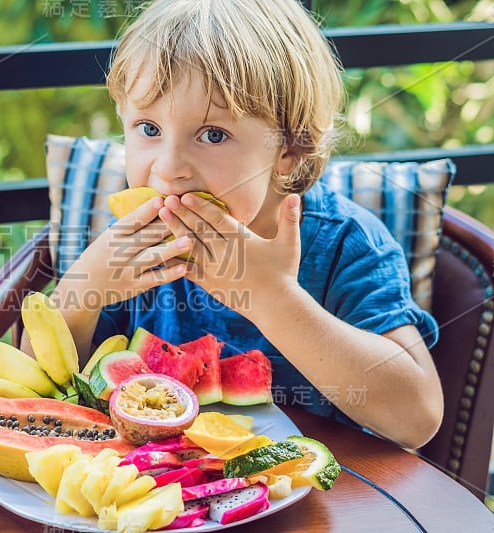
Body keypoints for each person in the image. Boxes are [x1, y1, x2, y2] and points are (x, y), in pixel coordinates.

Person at [23, 0, 443, 449]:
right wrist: (82, 292)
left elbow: (417, 417)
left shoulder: (347, 242)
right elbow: (37, 389)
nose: (168, 170)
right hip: (162, 494)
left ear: (289, 147)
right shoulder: (135, 243)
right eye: (148, 128)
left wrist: (273, 298)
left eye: (213, 135)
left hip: (314, 497)